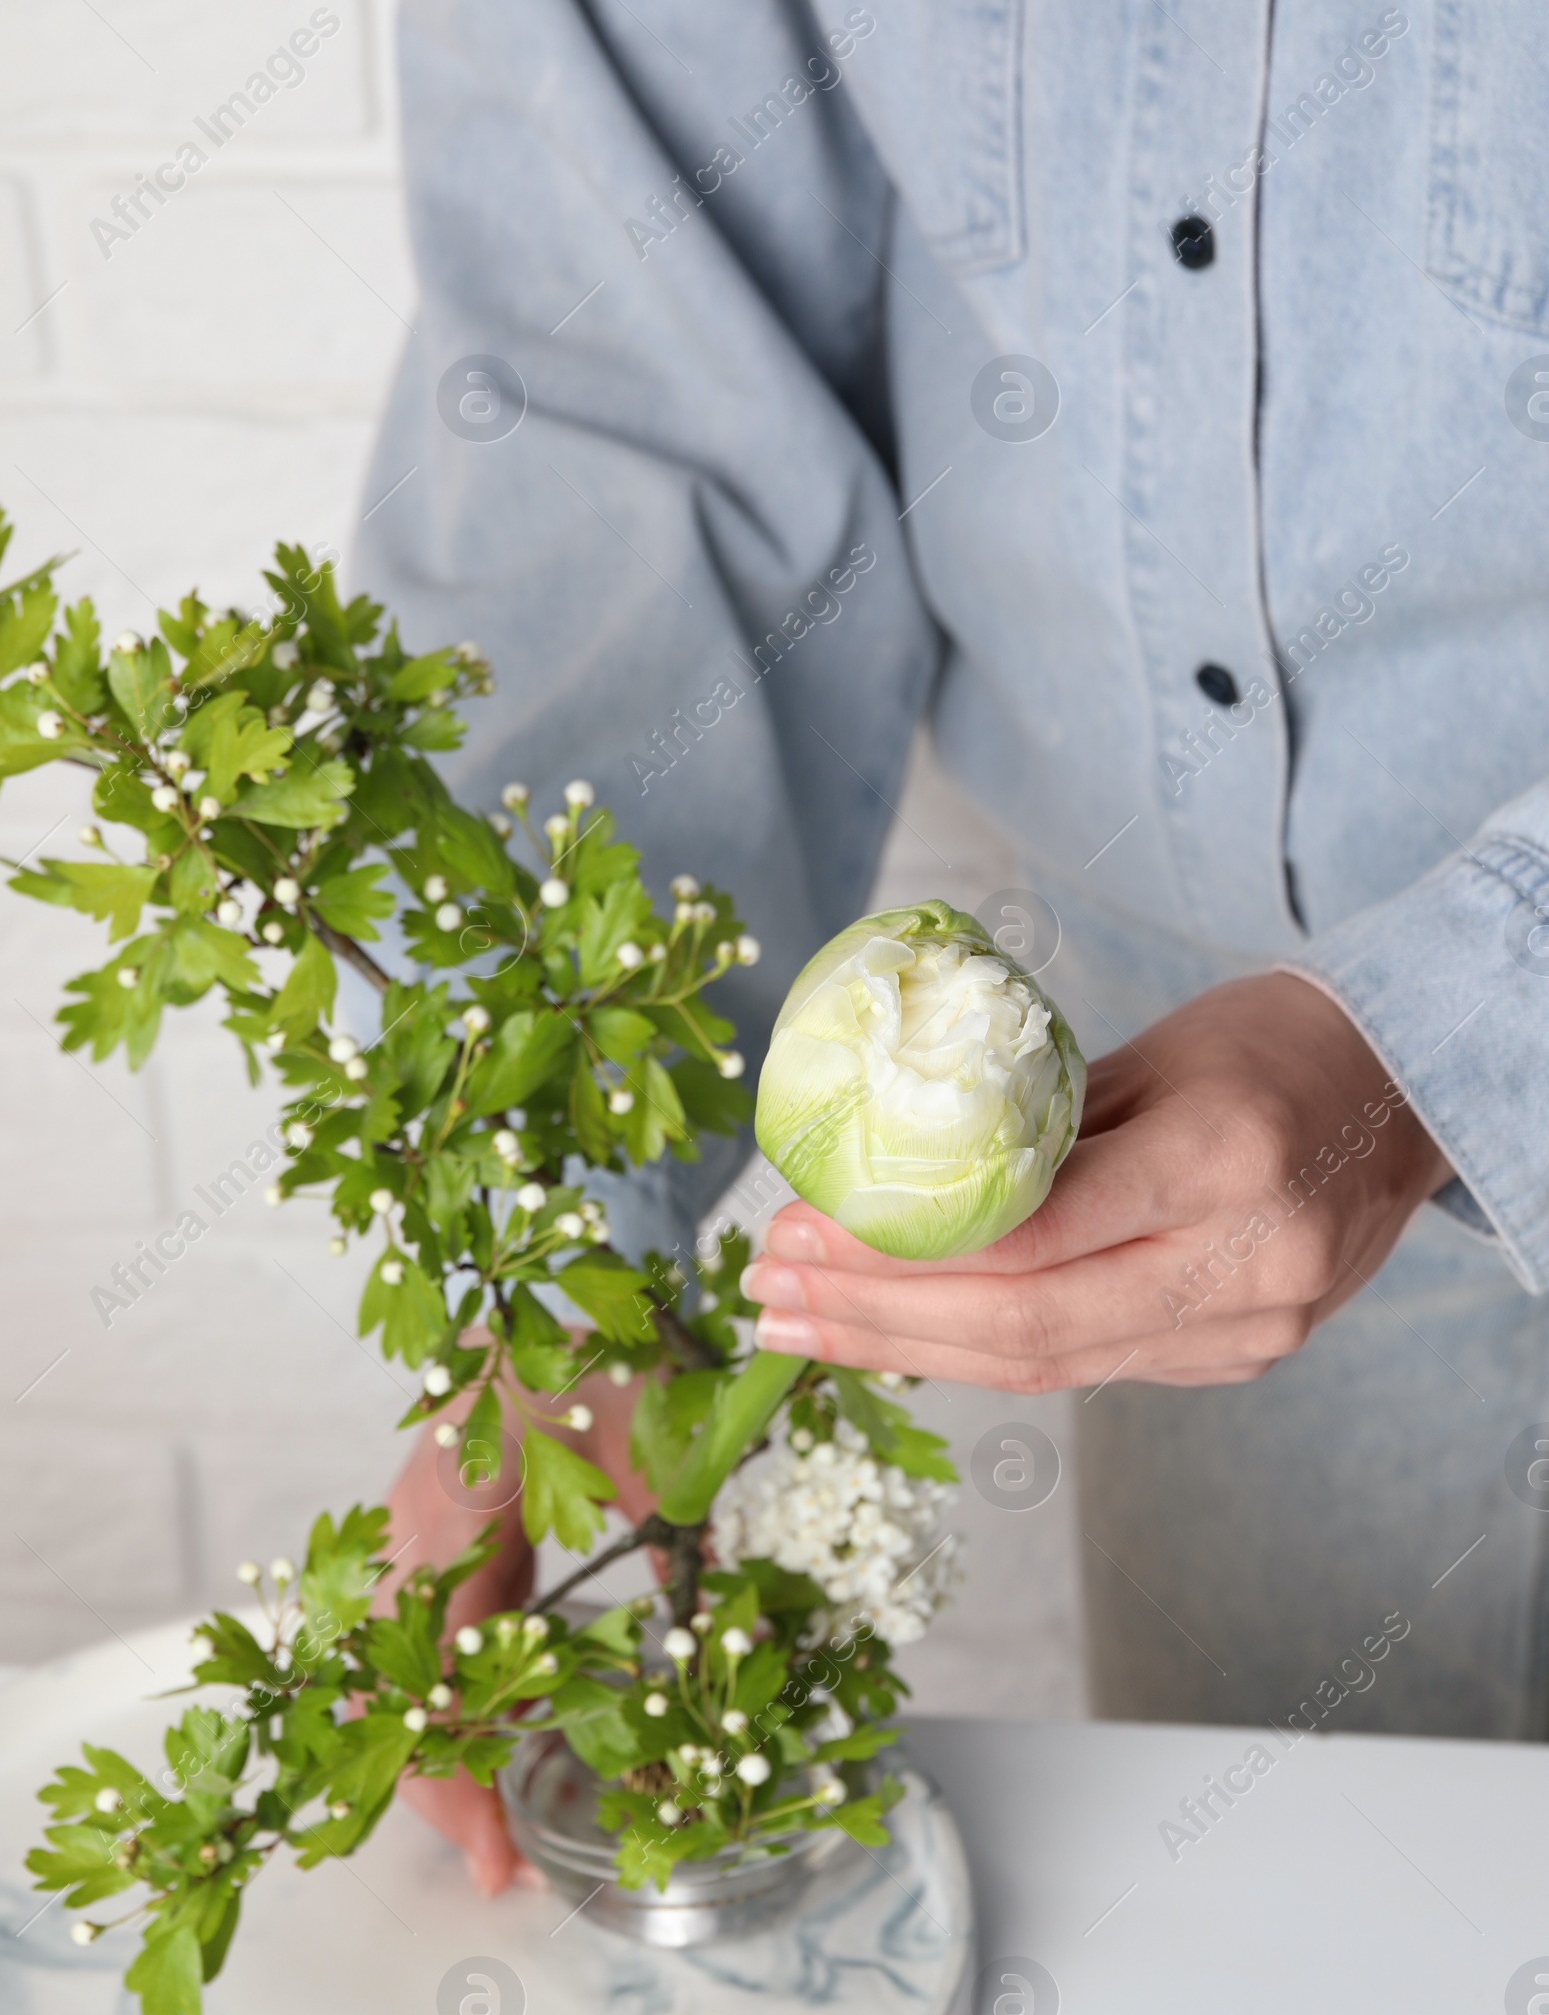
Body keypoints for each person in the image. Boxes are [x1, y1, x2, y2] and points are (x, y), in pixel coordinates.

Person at [358, 1, 1549, 1888]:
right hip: (1196, 1170)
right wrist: (563, 1224)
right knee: (1295, 1969)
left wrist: (1461, 1026)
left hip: (1374, 1038)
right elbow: (630, 364)